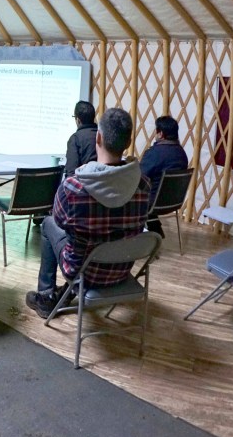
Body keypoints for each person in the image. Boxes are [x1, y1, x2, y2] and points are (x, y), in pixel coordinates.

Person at [26, 108, 151, 319]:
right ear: (128, 142)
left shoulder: (74, 187)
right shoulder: (143, 185)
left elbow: (59, 220)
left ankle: (46, 294)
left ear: (98, 137)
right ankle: (58, 294)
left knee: (48, 223)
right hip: (120, 270)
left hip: (82, 271)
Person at [140, 115, 189, 237]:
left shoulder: (155, 154)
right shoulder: (182, 154)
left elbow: (138, 177)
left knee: (128, 192)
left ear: (160, 134)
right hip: (174, 202)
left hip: (151, 203)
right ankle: (155, 229)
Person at [64, 100, 98, 177]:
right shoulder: (102, 135)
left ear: (78, 120)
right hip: (103, 184)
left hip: (83, 185)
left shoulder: (75, 139)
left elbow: (71, 172)